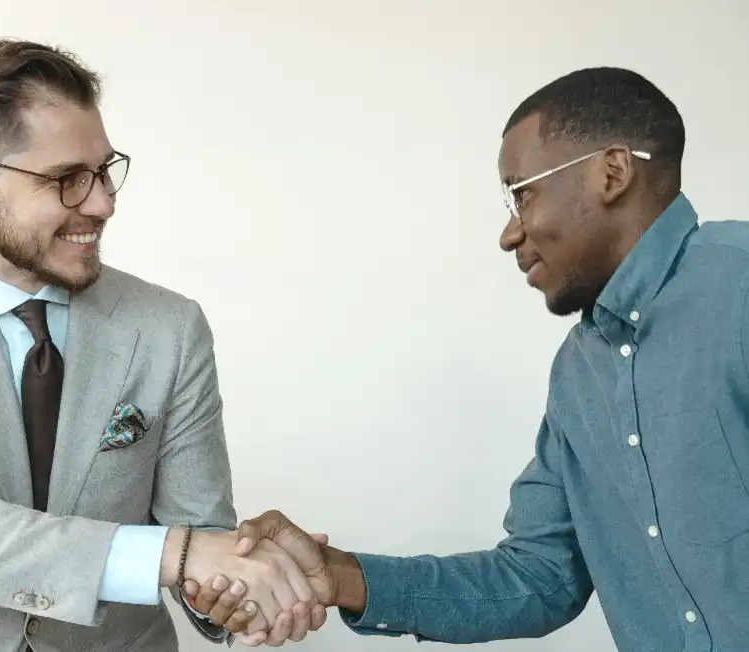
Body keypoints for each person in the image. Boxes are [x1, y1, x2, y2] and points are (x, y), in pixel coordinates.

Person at [184, 67, 749, 651]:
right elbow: (538, 576)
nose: (509, 234)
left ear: (612, 172)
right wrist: (339, 576)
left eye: (521, 194)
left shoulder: (740, 285)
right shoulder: (580, 371)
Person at [0, 38, 324, 652]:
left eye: (105, 171)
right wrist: (176, 554)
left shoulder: (171, 327)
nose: (103, 202)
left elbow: (200, 536)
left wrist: (230, 593)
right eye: (66, 179)